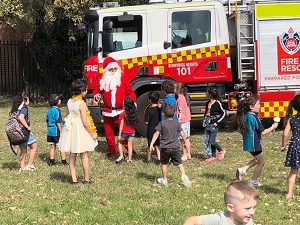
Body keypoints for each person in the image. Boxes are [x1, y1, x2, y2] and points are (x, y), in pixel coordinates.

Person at [227, 96, 278, 187]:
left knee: (257, 159)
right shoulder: (254, 117)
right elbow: (263, 132)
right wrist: (273, 126)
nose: (260, 106)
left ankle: (244, 169)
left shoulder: (245, 116)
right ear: (251, 107)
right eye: (258, 104)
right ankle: (253, 181)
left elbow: (239, 129)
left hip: (248, 144)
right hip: (255, 144)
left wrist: (246, 136)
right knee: (261, 162)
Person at [93, 57, 136, 156]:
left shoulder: (123, 80)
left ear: (118, 69)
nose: (113, 71)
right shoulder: (103, 81)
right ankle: (112, 151)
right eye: (111, 69)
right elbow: (97, 90)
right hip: (107, 111)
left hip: (120, 112)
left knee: (124, 132)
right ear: (107, 70)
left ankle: (130, 149)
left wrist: (132, 103)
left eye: (115, 69)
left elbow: (130, 92)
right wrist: (97, 96)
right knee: (108, 134)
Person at [58, 79, 98, 184]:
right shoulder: (82, 104)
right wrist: (92, 133)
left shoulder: (69, 102)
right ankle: (86, 178)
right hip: (80, 129)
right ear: (82, 91)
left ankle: (74, 179)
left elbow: (67, 115)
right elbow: (85, 122)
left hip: (72, 128)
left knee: (72, 155)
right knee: (84, 155)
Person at [150, 104, 191, 187]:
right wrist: (185, 143)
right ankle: (183, 175)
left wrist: (151, 144)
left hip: (165, 148)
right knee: (179, 163)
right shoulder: (177, 123)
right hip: (175, 147)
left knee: (164, 164)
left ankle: (164, 179)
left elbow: (156, 134)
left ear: (163, 114)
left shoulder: (162, 123)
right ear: (175, 113)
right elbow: (182, 133)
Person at [184, 180, 258, 225]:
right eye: (248, 208)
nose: (252, 212)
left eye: (254, 207)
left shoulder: (248, 221)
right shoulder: (219, 220)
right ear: (231, 208)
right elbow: (192, 220)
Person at [11, 93, 37, 172]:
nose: (29, 101)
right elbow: (21, 118)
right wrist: (27, 127)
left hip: (18, 133)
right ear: (24, 101)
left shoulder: (16, 110)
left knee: (23, 150)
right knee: (34, 147)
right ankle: (30, 165)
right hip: (25, 132)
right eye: (28, 99)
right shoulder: (24, 109)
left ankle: (22, 167)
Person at [280, 94, 300, 198]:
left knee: (293, 171)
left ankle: (289, 193)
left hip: (295, 145)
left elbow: (285, 134)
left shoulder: (292, 119)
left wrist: (283, 145)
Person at [203, 87, 226, 162]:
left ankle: (221, 150)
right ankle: (213, 156)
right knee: (208, 139)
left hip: (214, 124)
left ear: (210, 95)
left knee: (211, 140)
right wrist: (204, 121)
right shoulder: (207, 103)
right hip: (208, 124)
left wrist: (217, 122)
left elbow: (223, 113)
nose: (205, 94)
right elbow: (206, 114)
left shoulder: (217, 103)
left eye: (206, 92)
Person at [46, 94, 68, 166]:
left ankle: (51, 161)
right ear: (57, 101)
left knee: (52, 146)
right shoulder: (57, 111)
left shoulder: (49, 111)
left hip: (50, 132)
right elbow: (58, 122)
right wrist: (61, 131)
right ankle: (64, 161)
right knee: (62, 146)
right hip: (57, 132)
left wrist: (49, 129)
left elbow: (47, 121)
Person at [116, 97, 139, 164]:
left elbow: (121, 125)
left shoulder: (123, 114)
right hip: (132, 131)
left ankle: (121, 156)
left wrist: (119, 134)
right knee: (130, 145)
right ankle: (129, 159)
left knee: (119, 142)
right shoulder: (135, 113)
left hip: (124, 131)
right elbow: (136, 123)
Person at [174, 83, 192, 161]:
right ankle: (188, 154)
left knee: (182, 139)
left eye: (174, 89)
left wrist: (179, 120)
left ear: (178, 90)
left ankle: (185, 155)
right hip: (186, 120)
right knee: (186, 138)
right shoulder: (183, 98)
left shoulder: (180, 99)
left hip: (183, 121)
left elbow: (181, 110)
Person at [144, 91, 161, 164]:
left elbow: (146, 121)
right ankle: (159, 159)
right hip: (159, 129)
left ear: (150, 100)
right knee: (157, 145)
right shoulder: (160, 109)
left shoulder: (149, 110)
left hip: (151, 129)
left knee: (149, 144)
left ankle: (148, 159)